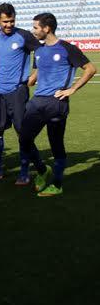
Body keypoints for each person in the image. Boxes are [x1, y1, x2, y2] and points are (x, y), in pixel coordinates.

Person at [19, 13, 97, 197]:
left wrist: (72, 89)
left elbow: (91, 69)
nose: (33, 31)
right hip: (37, 102)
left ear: (47, 29)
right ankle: (42, 170)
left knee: (56, 145)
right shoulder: (39, 50)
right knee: (24, 139)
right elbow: (37, 73)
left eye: (36, 27)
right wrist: (26, 81)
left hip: (57, 103)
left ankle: (57, 184)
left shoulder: (67, 48)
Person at [0, 3, 41, 184]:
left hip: (17, 91)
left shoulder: (24, 35)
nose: (8, 25)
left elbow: (41, 51)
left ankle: (24, 173)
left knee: (22, 132)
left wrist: (35, 74)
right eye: (5, 22)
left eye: (11, 21)